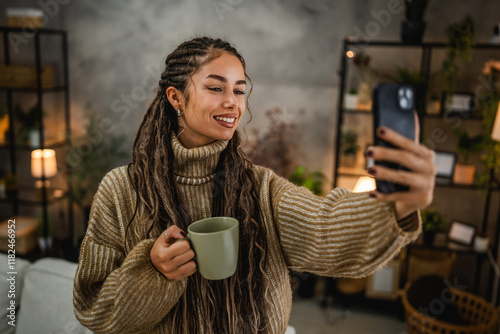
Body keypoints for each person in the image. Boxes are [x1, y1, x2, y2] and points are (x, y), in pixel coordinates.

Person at [73, 36, 435, 334]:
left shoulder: (260, 188)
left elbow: (325, 229)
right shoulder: (121, 190)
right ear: (176, 98)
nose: (232, 102)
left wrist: (398, 203)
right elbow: (95, 311)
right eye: (216, 87)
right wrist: (153, 271)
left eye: (240, 90)